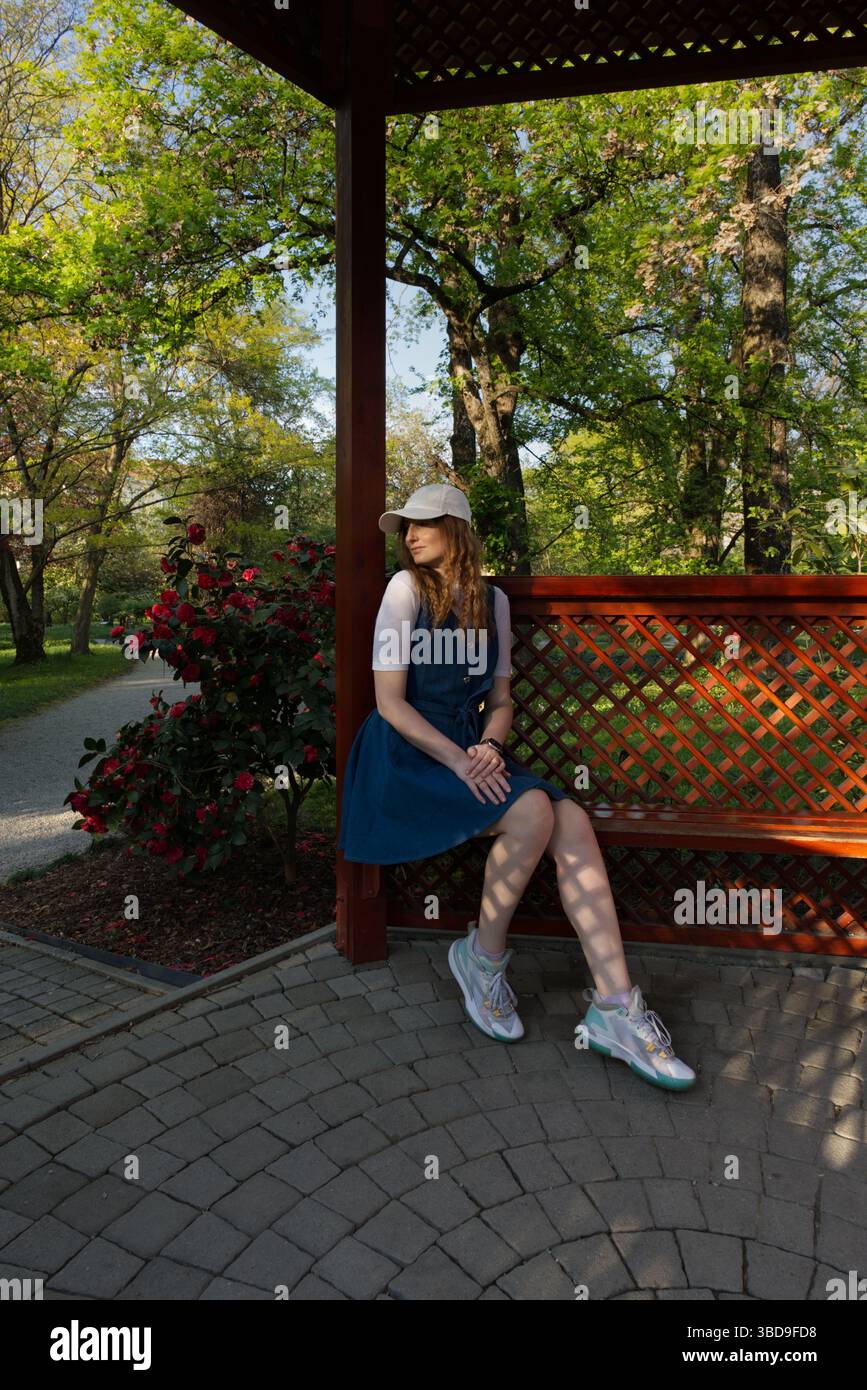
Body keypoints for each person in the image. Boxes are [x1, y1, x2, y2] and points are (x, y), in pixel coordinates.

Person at [337, 483, 695, 1091]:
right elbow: (390, 704)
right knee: (532, 811)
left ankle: (616, 1008)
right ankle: (482, 962)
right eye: (405, 527)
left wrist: (489, 747)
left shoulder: (491, 603)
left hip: (471, 749)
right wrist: (459, 760)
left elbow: (500, 702)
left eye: (424, 522)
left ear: (459, 527)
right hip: (407, 755)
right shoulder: (405, 591)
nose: (410, 535)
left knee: (571, 819)